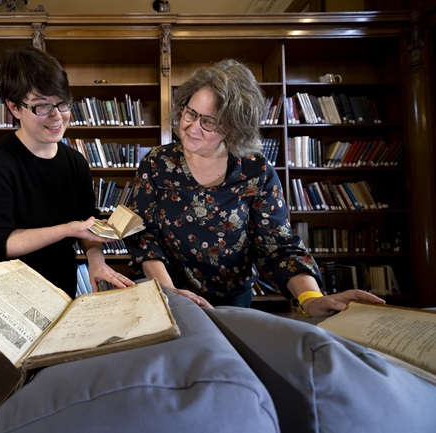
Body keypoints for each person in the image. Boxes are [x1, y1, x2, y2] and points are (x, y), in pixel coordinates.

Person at [125, 59, 384, 317]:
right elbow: (142, 234)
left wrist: (311, 298)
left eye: (210, 122)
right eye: (190, 113)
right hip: (167, 296)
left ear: (234, 126)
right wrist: (169, 292)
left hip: (232, 303)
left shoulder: (255, 170)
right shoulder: (157, 163)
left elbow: (277, 244)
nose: (192, 128)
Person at [0, 45, 133, 298]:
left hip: (62, 290)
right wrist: (67, 229)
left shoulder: (76, 162)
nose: (56, 117)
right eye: (41, 106)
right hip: (10, 295)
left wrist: (96, 262)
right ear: (14, 108)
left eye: (62, 104)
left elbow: (88, 226)